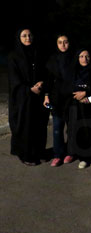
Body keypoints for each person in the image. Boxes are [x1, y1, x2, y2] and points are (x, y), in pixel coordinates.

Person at [8, 28, 49, 166]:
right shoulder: (14, 56)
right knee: (25, 126)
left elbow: (45, 71)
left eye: (30, 35)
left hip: (39, 96)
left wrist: (41, 82)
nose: (27, 38)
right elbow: (14, 79)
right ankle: (25, 154)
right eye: (24, 35)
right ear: (19, 38)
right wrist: (29, 89)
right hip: (23, 97)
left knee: (39, 124)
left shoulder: (38, 53)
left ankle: (39, 151)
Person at [67, 49, 91, 169]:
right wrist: (78, 97)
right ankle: (83, 158)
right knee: (80, 131)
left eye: (87, 56)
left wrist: (86, 95)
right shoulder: (73, 71)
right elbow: (68, 88)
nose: (84, 59)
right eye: (81, 56)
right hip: (77, 106)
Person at [43, 34, 74, 167]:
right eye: (60, 42)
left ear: (69, 43)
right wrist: (46, 95)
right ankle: (58, 155)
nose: (63, 45)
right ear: (56, 44)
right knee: (57, 128)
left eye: (65, 42)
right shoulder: (52, 60)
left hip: (71, 98)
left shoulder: (74, 58)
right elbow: (48, 80)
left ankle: (70, 152)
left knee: (71, 128)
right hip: (56, 99)